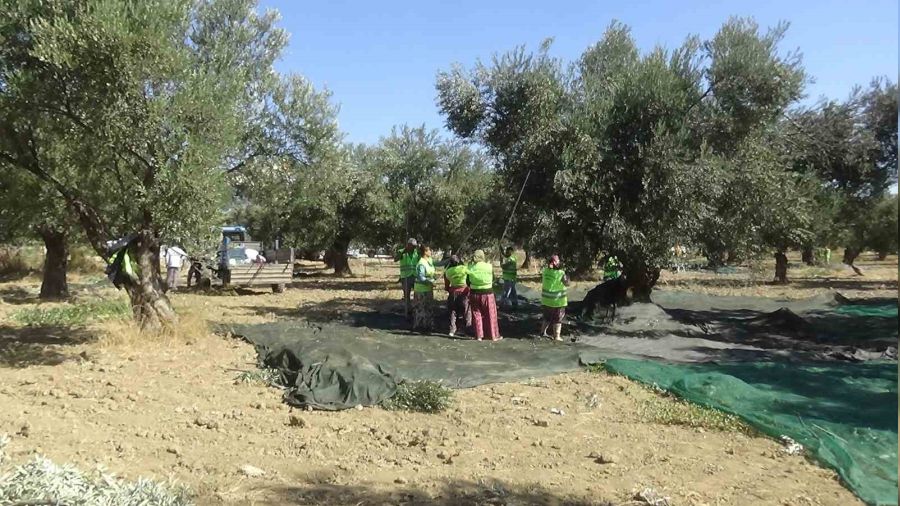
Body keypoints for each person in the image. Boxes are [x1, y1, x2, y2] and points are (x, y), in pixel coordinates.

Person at [467, 249, 501, 341]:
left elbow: (467, 281)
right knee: (490, 314)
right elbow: (493, 278)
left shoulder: (470, 267)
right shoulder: (489, 266)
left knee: (476, 313)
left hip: (474, 293)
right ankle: (493, 335)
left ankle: (479, 336)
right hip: (487, 293)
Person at [540, 254, 569, 341]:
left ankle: (542, 332)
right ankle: (557, 336)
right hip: (557, 301)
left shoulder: (545, 271)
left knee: (547, 317)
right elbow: (567, 283)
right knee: (558, 319)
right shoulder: (561, 273)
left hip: (546, 300)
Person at [443, 255, 471, 337]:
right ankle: (467, 329)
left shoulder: (448, 272)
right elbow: (469, 278)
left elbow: (447, 285)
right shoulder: (464, 268)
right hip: (464, 292)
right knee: (466, 311)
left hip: (453, 292)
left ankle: (452, 330)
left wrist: (449, 289)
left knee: (453, 311)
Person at [412, 245, 436, 332]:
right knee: (420, 308)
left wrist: (449, 260)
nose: (431, 252)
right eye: (429, 250)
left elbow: (437, 264)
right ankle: (418, 326)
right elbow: (421, 277)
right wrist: (430, 282)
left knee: (429, 308)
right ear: (425, 252)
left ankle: (428, 326)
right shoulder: (421, 263)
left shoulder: (429, 261)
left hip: (428, 289)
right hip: (421, 290)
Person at [395, 238, 420, 321]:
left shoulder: (417, 252)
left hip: (415, 276)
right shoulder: (401, 251)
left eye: (415, 246)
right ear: (408, 245)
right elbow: (395, 259)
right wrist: (403, 252)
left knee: (417, 294)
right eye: (412, 246)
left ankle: (416, 310)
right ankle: (407, 311)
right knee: (407, 295)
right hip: (405, 277)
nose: (414, 248)